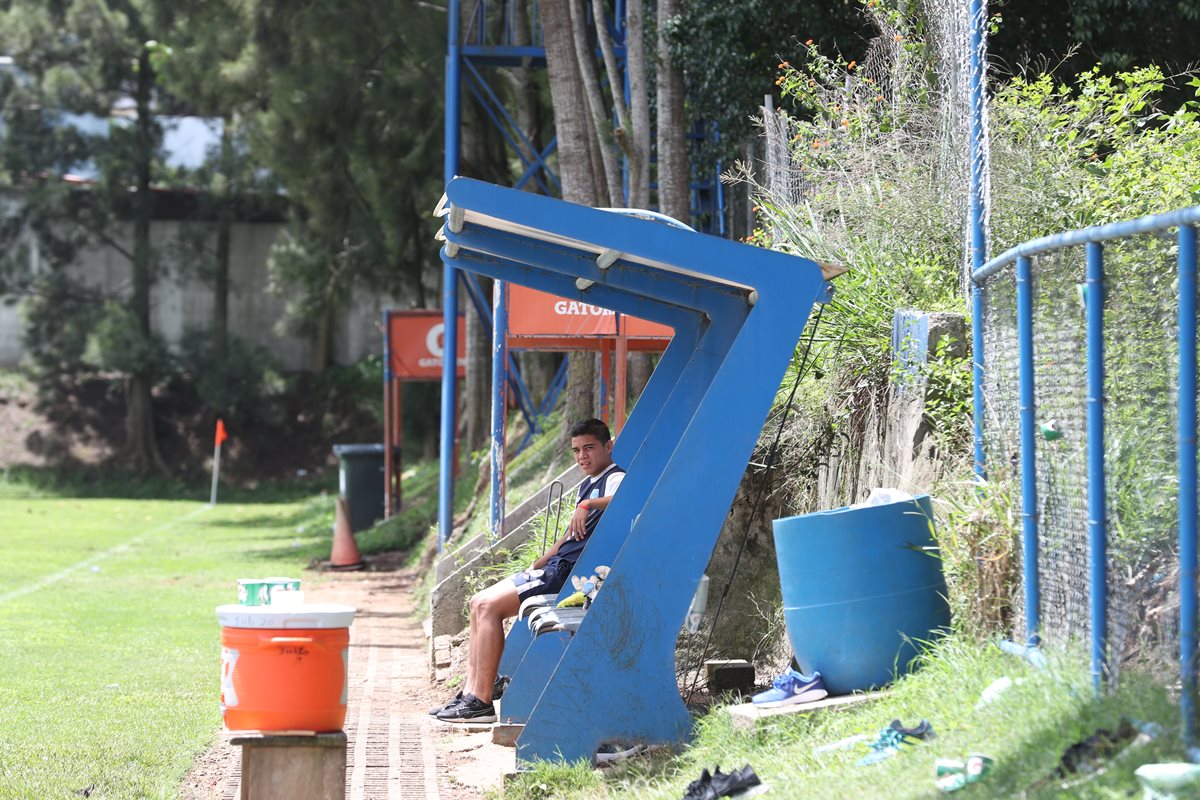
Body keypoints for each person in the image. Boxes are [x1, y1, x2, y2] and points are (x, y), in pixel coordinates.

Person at [433, 418, 625, 723]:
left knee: (489, 606)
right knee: (477, 603)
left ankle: (482, 702)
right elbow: (569, 536)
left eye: (589, 448)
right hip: (554, 566)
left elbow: (624, 499)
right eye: (576, 450)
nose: (581, 456)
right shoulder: (589, 483)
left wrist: (587, 504)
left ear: (608, 446)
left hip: (569, 575)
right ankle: (471, 692)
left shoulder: (613, 478)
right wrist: (538, 561)